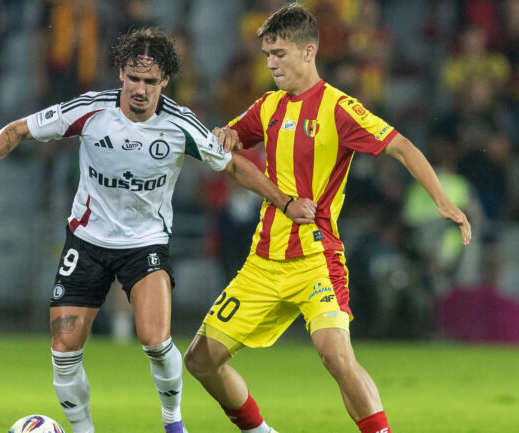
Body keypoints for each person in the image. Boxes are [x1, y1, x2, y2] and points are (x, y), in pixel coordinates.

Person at [0, 28, 315, 433]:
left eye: (150, 81)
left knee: (156, 341)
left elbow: (232, 165)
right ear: (121, 73)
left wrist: (284, 201)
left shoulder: (180, 125)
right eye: (133, 78)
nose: (140, 89)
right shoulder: (89, 110)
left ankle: (173, 425)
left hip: (145, 244)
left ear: (165, 82)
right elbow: (17, 129)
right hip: (86, 243)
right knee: (64, 350)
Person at [183, 5, 472, 433]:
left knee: (335, 354)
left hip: (316, 258)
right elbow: (228, 142)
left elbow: (402, 147)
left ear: (308, 51)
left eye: (279, 53)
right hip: (262, 262)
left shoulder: (339, 109)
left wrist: (443, 202)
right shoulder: (267, 107)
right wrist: (224, 135)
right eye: (266, 54)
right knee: (199, 361)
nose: (270, 63)